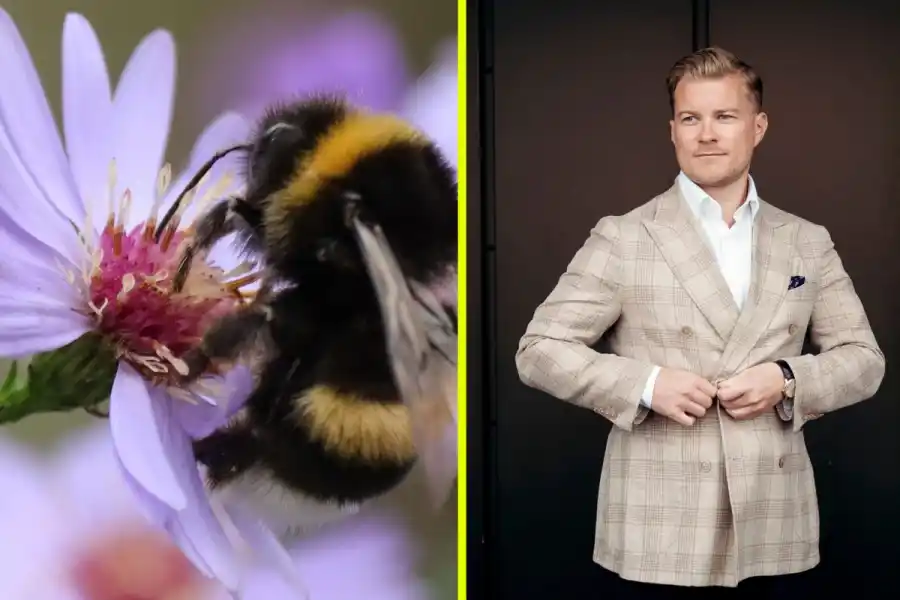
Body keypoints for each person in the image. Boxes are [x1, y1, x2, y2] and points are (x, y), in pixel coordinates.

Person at [514, 46, 885, 598]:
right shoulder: (624, 236)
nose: (706, 133)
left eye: (724, 117)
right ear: (673, 131)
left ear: (757, 127)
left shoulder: (807, 240)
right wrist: (645, 384)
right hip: (658, 523)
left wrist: (787, 378)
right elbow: (539, 349)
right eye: (691, 118)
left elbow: (863, 360)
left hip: (773, 516)